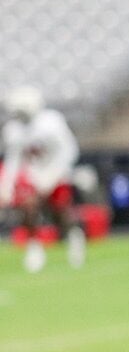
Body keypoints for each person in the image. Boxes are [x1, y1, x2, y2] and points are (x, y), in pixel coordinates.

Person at [0, 86, 85, 272]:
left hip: (56, 170)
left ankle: (73, 237)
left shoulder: (52, 122)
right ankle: (34, 246)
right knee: (27, 207)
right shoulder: (13, 130)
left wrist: (53, 176)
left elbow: (69, 151)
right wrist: (6, 186)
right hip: (33, 173)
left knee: (60, 212)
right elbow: (14, 159)